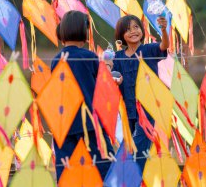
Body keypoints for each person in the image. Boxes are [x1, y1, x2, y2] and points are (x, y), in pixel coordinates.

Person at [51, 10, 114, 181]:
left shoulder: (56, 59)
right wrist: (108, 66)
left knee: (68, 170)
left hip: (65, 123)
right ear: (84, 31)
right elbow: (104, 84)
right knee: (104, 167)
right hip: (90, 123)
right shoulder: (90, 57)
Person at [113, 14, 169, 170]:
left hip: (147, 109)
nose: (133, 31)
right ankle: (128, 177)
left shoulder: (149, 49)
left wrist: (164, 30)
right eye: (128, 29)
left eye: (136, 27)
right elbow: (114, 77)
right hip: (127, 109)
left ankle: (132, 177)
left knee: (140, 147)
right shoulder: (118, 57)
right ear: (121, 35)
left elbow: (164, 46)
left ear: (142, 30)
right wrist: (115, 78)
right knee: (127, 147)